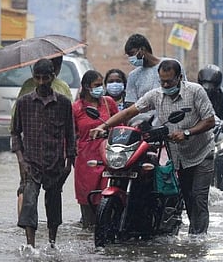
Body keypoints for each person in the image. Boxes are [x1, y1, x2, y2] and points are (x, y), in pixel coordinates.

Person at [89, 59, 215, 235]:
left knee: (199, 198)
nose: (165, 85)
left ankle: (198, 241)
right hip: (178, 156)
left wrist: (187, 133)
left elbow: (209, 121)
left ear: (179, 78)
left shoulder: (195, 91)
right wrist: (103, 126)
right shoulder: (156, 95)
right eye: (161, 81)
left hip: (201, 153)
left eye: (169, 81)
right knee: (187, 197)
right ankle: (189, 230)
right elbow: (129, 112)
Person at [11, 58, 76, 248]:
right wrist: (21, 160)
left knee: (53, 205)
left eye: (45, 78)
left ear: (52, 77)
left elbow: (70, 134)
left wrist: (69, 164)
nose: (41, 82)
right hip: (31, 164)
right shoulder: (24, 103)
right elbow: (15, 132)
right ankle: (30, 245)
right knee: (29, 204)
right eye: (37, 78)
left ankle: (52, 243)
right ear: (33, 77)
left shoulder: (63, 103)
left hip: (55, 162)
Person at [72, 70, 119, 228]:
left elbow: (120, 125)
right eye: (97, 85)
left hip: (107, 156)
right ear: (86, 87)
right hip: (85, 160)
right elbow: (70, 135)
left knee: (109, 197)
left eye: (101, 85)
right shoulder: (76, 108)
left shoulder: (108, 103)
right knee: (87, 201)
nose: (101, 88)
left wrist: (107, 132)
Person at [198, 64, 223, 197]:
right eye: (205, 83)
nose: (207, 87)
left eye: (211, 84)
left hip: (218, 132)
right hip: (198, 131)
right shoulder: (195, 93)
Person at [124, 33, 185, 107]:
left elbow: (184, 91)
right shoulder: (133, 76)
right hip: (145, 117)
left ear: (142, 49)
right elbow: (131, 103)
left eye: (132, 54)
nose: (131, 58)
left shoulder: (172, 65)